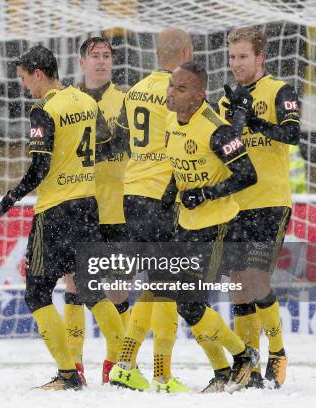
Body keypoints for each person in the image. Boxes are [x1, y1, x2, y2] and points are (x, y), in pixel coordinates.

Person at [0, 44, 123, 390]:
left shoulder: (44, 110)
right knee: (92, 290)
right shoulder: (86, 101)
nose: (24, 86)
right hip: (87, 207)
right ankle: (123, 364)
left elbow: (40, 167)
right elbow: (106, 145)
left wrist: (10, 198)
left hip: (55, 214)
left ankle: (68, 374)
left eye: (24, 78)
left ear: (38, 74)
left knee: (37, 295)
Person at [164, 61, 259, 393]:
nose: (171, 94)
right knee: (185, 303)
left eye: (181, 89)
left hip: (219, 224)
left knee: (191, 302)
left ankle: (244, 357)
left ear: (199, 95)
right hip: (186, 224)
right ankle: (222, 371)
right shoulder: (169, 120)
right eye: (171, 86)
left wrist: (205, 193)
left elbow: (248, 175)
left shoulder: (217, 130)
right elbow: (179, 170)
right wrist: (168, 200)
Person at [109, 27, 193, 393]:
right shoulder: (181, 91)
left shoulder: (136, 90)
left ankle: (126, 364)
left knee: (152, 286)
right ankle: (160, 374)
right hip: (163, 197)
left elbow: (124, 142)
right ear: (187, 51)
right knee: (166, 287)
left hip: (132, 193)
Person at [218, 26, 300, 389]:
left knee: (256, 279)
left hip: (269, 202)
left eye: (243, 57)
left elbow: (292, 134)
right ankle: (248, 358)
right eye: (232, 57)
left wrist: (252, 120)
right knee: (237, 283)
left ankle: (278, 353)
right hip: (235, 204)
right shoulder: (227, 99)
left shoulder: (279, 90)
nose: (236, 63)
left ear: (260, 58)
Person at [62, 36, 132, 385]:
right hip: (78, 209)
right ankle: (73, 366)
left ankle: (116, 366)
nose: (101, 61)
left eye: (106, 56)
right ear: (81, 62)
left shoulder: (127, 100)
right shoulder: (67, 102)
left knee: (118, 289)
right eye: (95, 56)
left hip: (118, 207)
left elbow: (133, 147)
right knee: (74, 285)